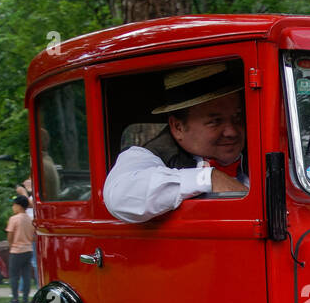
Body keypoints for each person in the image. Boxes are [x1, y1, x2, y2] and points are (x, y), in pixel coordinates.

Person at [103, 63, 248, 223]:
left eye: (237, 117)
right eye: (215, 121)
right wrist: (209, 178)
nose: (232, 132)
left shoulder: (263, 150)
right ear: (178, 127)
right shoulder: (146, 156)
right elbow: (119, 195)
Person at [6, 194, 34, 303]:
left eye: (14, 205)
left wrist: (10, 245)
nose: (13, 207)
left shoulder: (14, 219)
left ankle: (15, 298)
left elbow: (10, 235)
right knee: (26, 275)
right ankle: (25, 298)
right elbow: (34, 237)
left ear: (19, 206)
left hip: (16, 250)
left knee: (14, 275)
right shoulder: (30, 219)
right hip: (28, 250)